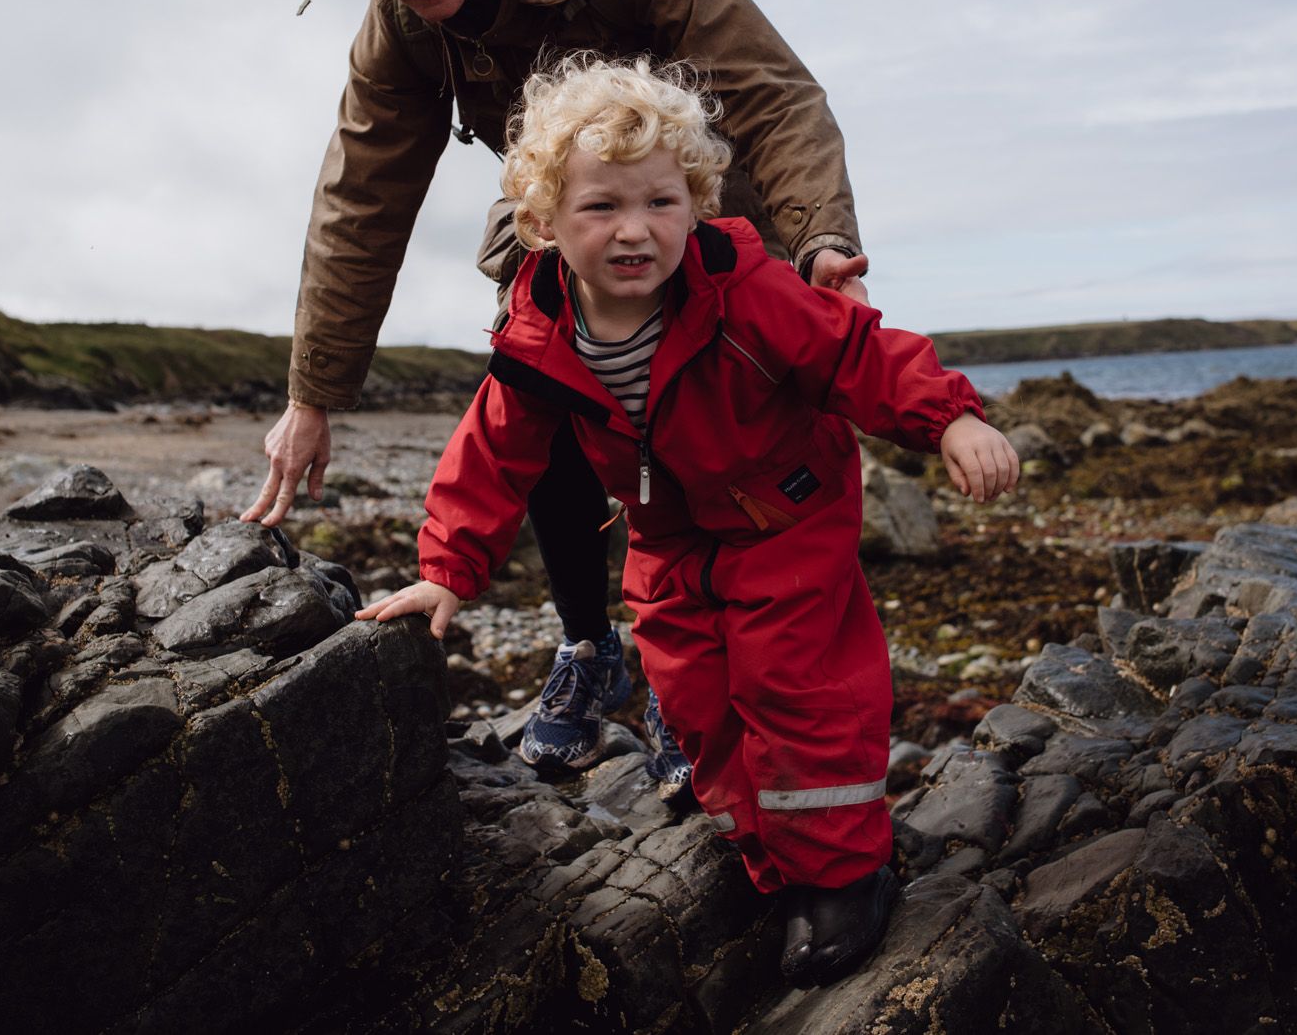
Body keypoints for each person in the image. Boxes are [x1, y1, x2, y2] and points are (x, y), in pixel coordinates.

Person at [241, 0, 873, 784]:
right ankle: (588, 644)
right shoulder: (402, 22)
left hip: (694, 192)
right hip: (560, 205)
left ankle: (693, 671)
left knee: (711, 424)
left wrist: (820, 240)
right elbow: (362, 197)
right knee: (545, 368)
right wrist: (312, 393)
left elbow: (770, 90)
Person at [355, 55, 1020, 986]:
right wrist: (447, 568)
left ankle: (843, 872)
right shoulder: (539, 334)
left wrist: (948, 416)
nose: (637, 230)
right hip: (670, 538)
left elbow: (854, 353)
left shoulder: (743, 288)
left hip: (785, 512)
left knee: (798, 685)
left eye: (662, 202)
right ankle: (765, 853)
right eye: (602, 208)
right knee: (694, 698)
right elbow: (492, 452)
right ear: (544, 224)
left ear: (696, 204)